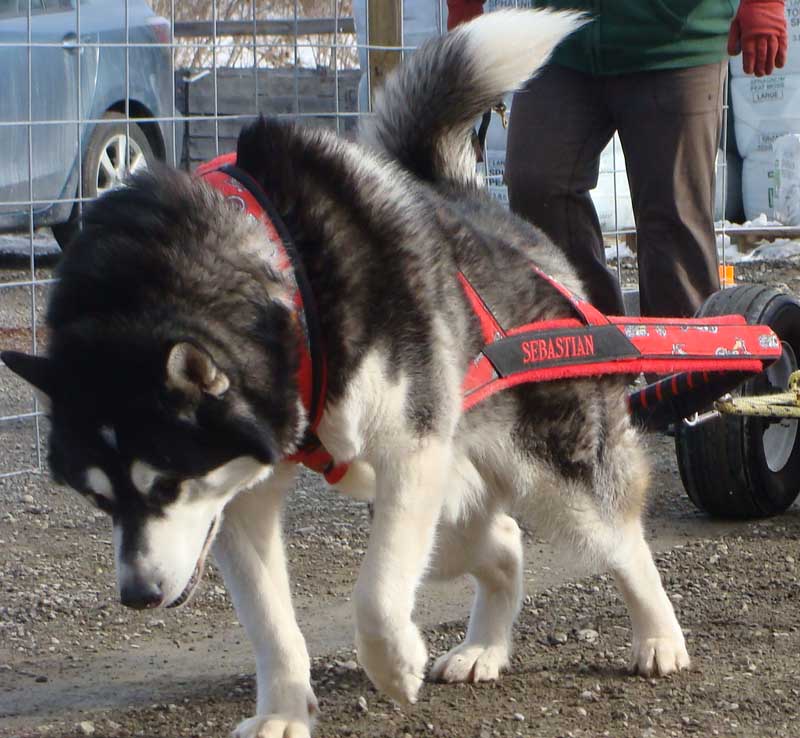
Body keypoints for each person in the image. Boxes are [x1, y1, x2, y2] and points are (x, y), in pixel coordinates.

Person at [447, 0, 788, 317]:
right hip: (560, 35)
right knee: (536, 183)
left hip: (676, 39)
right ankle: (592, 345)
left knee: (673, 221)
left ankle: (687, 373)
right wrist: (466, 8)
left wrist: (763, 3)